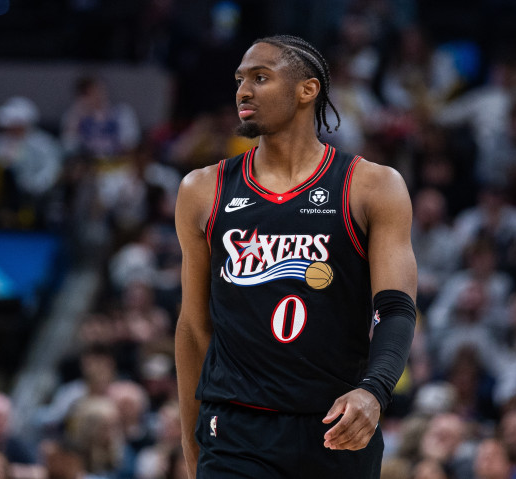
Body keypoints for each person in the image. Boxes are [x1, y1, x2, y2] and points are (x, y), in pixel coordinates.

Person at [174, 35, 417, 478]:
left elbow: (396, 309)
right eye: (239, 80)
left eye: (260, 78)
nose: (243, 91)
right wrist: (193, 450)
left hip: (336, 425)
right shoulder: (203, 189)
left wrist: (375, 391)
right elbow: (193, 328)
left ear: (307, 90)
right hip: (236, 432)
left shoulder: (371, 186)